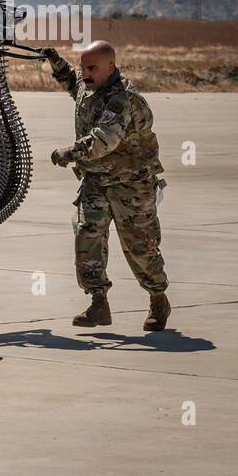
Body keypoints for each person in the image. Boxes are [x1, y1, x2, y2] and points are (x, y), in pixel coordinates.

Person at [42, 41, 170, 331]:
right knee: (87, 238)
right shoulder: (90, 87)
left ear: (111, 67)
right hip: (96, 181)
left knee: (141, 248)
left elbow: (104, 140)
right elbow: (73, 83)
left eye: (92, 68)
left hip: (131, 185)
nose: (85, 74)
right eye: (83, 67)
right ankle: (98, 303)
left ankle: (158, 298)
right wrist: (56, 62)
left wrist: (69, 153)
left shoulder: (121, 98)